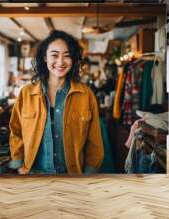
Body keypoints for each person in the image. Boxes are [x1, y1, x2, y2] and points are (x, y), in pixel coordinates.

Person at [8, 30, 104, 174]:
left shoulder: (86, 95)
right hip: (33, 175)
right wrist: (18, 164)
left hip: (72, 178)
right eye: (54, 55)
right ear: (45, 57)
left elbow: (94, 139)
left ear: (74, 60)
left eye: (67, 56)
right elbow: (16, 131)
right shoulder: (26, 93)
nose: (60, 62)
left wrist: (89, 173)